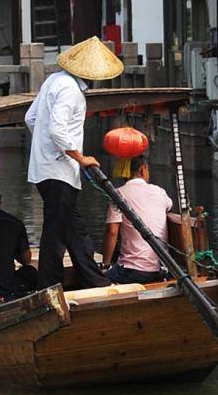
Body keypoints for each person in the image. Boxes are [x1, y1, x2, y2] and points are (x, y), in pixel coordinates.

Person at [25, 34, 124, 290]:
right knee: (55, 235)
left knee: (74, 229)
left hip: (48, 169)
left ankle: (93, 278)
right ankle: (49, 287)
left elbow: (31, 119)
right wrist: (79, 157)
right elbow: (57, 130)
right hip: (59, 171)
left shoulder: (53, 81)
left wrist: (43, 150)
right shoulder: (71, 90)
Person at [103, 149, 175, 285]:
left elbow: (112, 232)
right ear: (143, 169)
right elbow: (168, 206)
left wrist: (105, 266)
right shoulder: (159, 192)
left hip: (131, 271)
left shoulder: (118, 194)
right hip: (161, 269)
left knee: (96, 279)